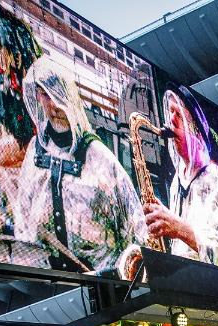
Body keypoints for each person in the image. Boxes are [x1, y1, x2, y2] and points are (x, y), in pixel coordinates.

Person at [14, 56, 147, 275]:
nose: (54, 105)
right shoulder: (35, 151)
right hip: (50, 275)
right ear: (38, 96)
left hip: (100, 278)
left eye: (58, 95)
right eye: (46, 95)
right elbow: (24, 209)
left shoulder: (99, 156)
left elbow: (134, 222)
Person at [147, 87, 218, 274]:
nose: (171, 119)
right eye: (170, 112)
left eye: (178, 114)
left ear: (195, 129)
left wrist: (178, 227)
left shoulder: (215, 178)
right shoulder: (176, 183)